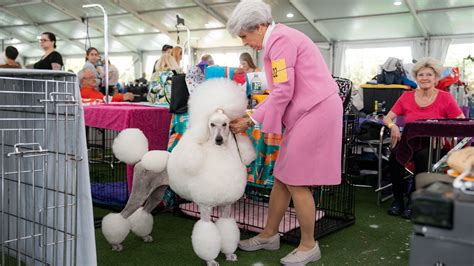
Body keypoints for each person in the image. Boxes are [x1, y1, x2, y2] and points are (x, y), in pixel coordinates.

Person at [227, 1, 343, 265]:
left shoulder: (280, 41)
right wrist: (252, 116)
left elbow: (282, 91)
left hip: (316, 111)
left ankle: (308, 245)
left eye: (245, 36)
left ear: (259, 26)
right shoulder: (280, 39)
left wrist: (251, 119)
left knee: (296, 180)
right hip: (309, 110)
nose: (245, 43)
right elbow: (281, 91)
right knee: (282, 175)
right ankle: (269, 235)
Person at [383, 57, 464, 218]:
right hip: (409, 140)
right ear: (416, 77)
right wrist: (393, 127)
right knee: (394, 158)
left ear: (435, 78)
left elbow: (460, 120)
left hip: (434, 144)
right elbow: (387, 118)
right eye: (421, 75)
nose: (425, 78)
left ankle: (413, 201)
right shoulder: (406, 96)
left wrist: (444, 131)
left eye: (429, 75)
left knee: (422, 158)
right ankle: (398, 200)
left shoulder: (445, 98)